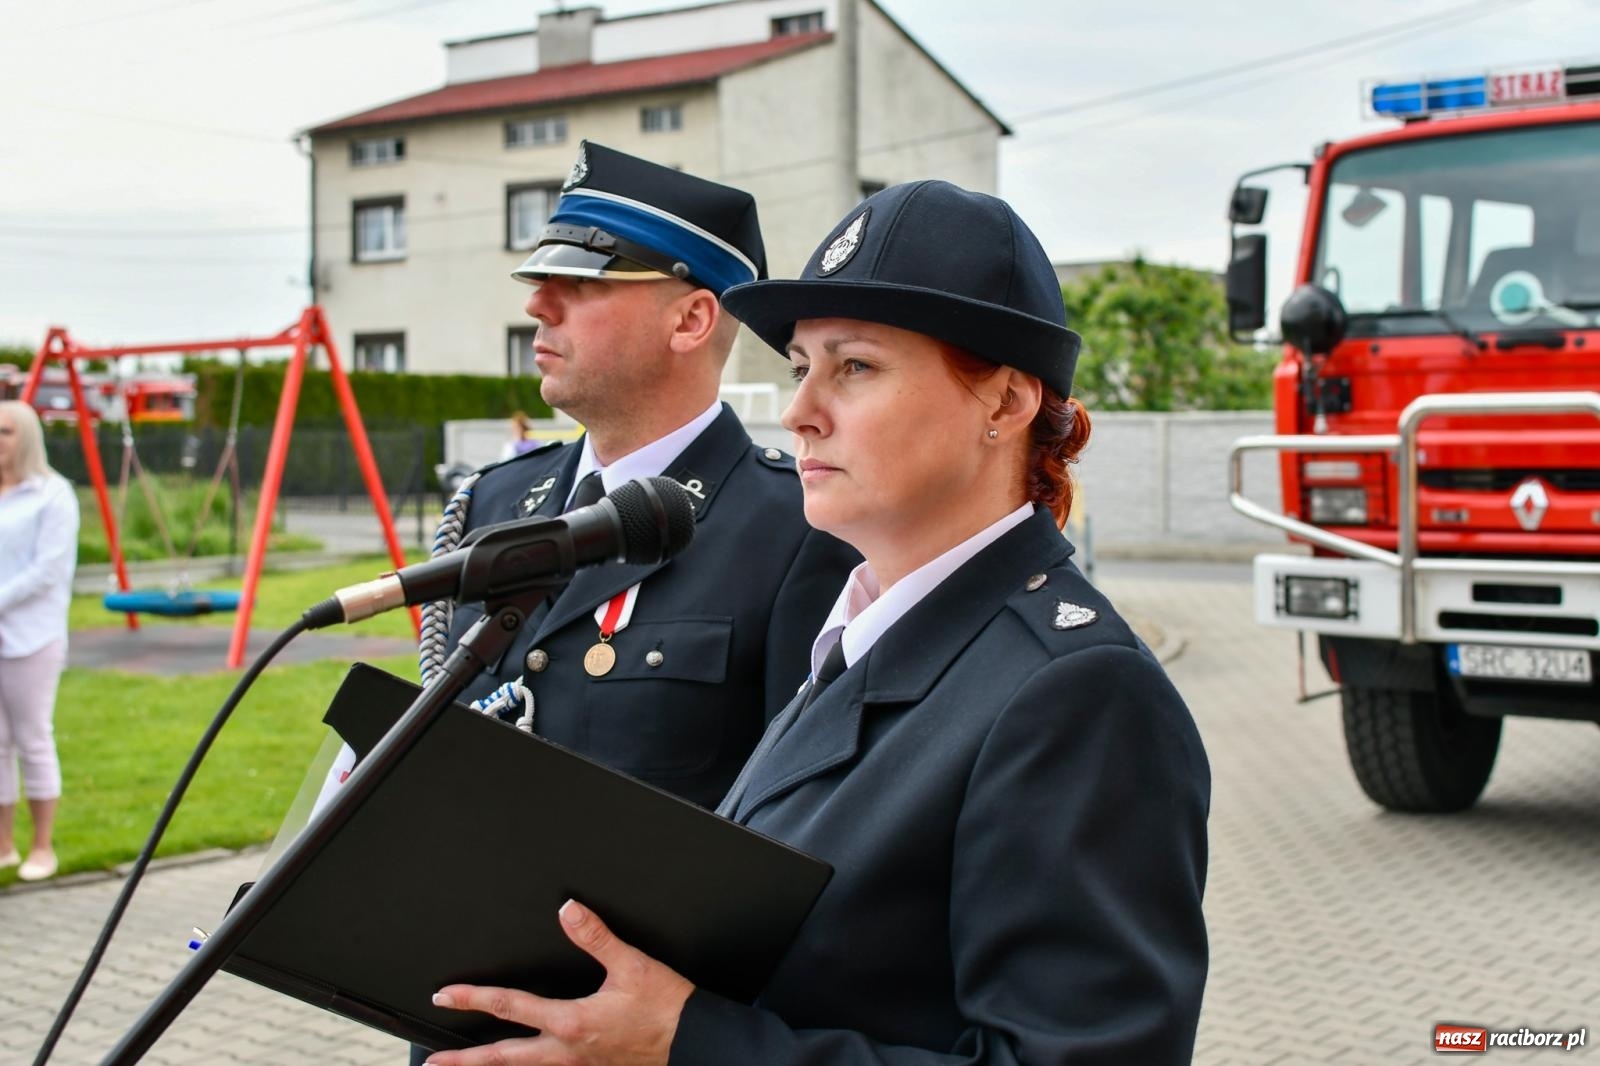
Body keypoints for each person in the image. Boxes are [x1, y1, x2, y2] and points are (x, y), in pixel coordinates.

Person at [423, 181, 1211, 1065]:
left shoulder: (1078, 693)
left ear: (1005, 402)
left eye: (856, 367)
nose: (800, 410)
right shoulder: (862, 639)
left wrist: (685, 1044)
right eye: (802, 367)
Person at [415, 141, 856, 811]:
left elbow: (796, 816)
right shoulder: (493, 500)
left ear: (690, 320)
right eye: (542, 280)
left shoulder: (797, 531)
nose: (538, 304)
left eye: (584, 282)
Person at [0, 400, 79, 883]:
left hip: (32, 637)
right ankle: (4, 844)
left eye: (5, 431)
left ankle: (42, 846)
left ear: (26, 437)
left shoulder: (53, 494)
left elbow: (47, 569)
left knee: (33, 739)